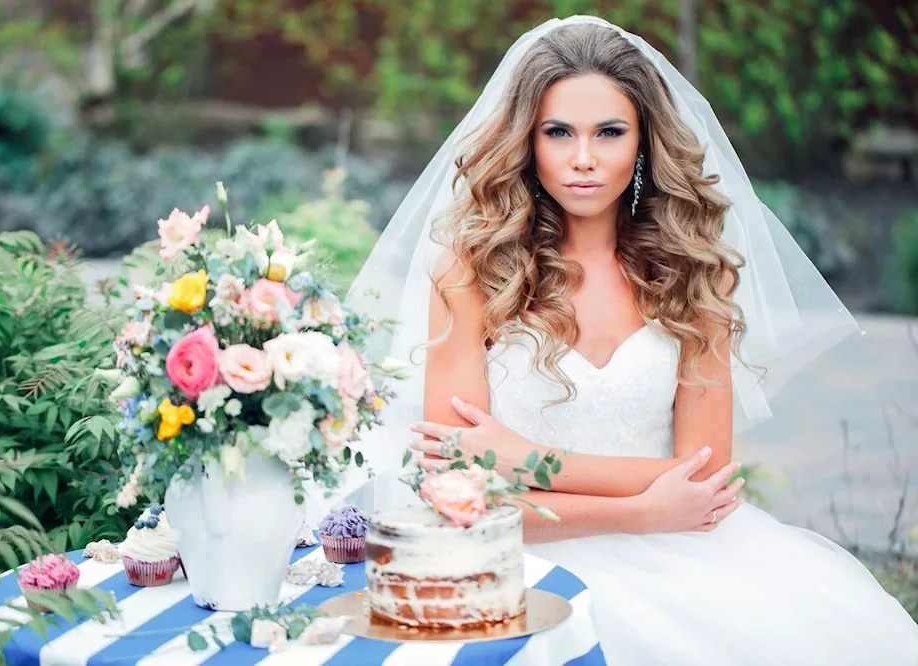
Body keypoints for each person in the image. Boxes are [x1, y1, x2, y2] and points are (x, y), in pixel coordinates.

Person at [327, 15, 918, 665]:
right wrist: (641, 509)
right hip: (513, 564)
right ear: (527, 142)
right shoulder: (472, 272)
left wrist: (523, 459)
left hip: (686, 550)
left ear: (643, 142)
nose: (583, 158)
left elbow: (704, 482)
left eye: (609, 132)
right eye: (558, 132)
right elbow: (460, 502)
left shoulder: (697, 272)